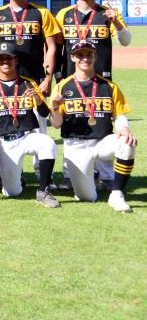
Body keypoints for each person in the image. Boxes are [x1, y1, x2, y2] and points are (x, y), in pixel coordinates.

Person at [49, 40, 137, 213]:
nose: (85, 58)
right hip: (76, 145)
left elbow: (119, 116)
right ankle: (91, 177)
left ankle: (117, 193)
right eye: (80, 55)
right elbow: (56, 124)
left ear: (95, 56)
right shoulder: (62, 86)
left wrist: (124, 128)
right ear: (72, 58)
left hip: (102, 142)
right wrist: (53, 107)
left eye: (89, 54)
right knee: (87, 197)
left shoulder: (109, 86)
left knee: (127, 142)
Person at [0, 42, 60, 208]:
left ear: (15, 60)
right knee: (12, 192)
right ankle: (16, 178)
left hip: (27, 136)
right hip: (5, 142)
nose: (5, 62)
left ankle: (43, 190)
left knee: (47, 143)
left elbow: (44, 113)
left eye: (9, 59)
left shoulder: (28, 83)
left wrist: (39, 99)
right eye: (1, 59)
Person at [56, 0, 130, 81]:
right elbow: (56, 49)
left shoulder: (109, 13)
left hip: (101, 78)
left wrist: (116, 23)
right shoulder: (64, 14)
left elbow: (126, 41)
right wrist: (57, 75)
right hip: (70, 77)